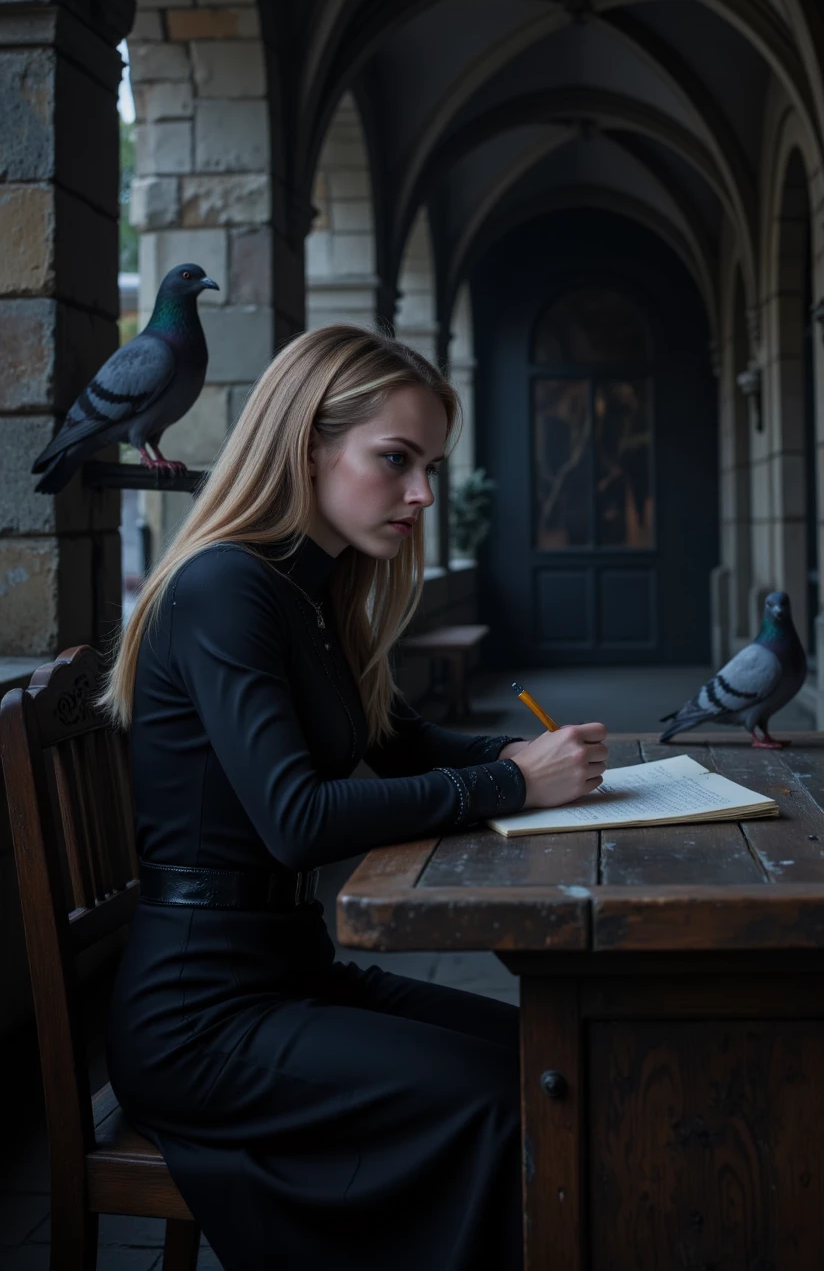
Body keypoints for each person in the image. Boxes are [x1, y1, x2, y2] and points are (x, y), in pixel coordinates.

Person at [101, 325, 608, 1271]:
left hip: (290, 977)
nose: (420, 495)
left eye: (430, 467)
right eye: (395, 460)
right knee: (503, 1099)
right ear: (308, 446)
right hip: (199, 1019)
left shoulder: (311, 593)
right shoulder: (225, 589)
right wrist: (511, 783)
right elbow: (298, 822)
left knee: (554, 1062)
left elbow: (407, 741)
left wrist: (528, 752)